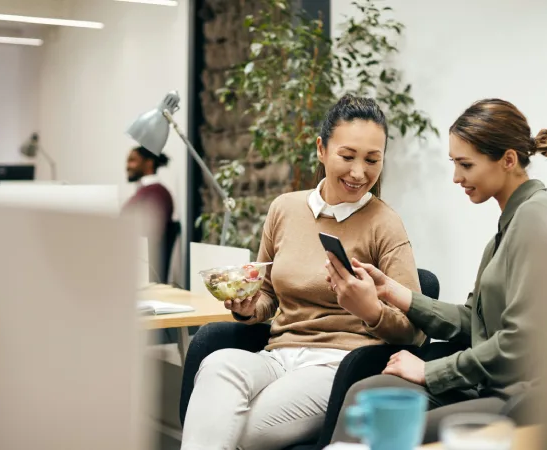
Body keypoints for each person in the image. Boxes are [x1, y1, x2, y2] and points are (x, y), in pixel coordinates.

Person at [181, 94, 425, 450]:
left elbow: (415, 329)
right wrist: (248, 307)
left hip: (338, 365)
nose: (359, 172)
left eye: (373, 160)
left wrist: (370, 309)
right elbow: (265, 296)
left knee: (240, 430)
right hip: (277, 356)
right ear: (321, 149)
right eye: (347, 156)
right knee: (218, 364)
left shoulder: (385, 224)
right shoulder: (285, 209)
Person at [327, 98, 547, 444]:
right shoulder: (510, 226)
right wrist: (397, 294)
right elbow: (475, 323)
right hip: (491, 385)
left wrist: (429, 371)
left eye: (466, 165)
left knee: (377, 422)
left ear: (508, 160)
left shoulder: (536, 219)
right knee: (368, 394)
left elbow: (520, 345)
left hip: (520, 400)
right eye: (455, 164)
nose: (456, 177)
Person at [123, 146, 174, 281]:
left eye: (133, 160)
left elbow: (150, 233)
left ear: (149, 163)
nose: (127, 166)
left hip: (145, 269)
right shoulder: (146, 192)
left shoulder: (156, 193)